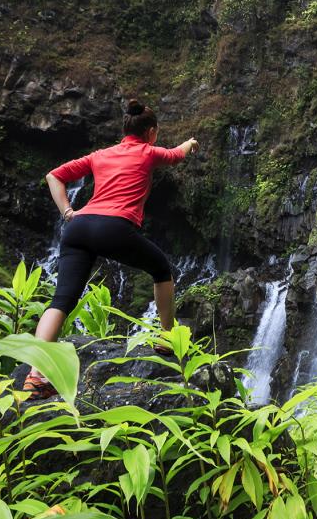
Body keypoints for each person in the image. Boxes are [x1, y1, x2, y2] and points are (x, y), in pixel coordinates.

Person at [23, 99, 199, 399]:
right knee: (161, 270)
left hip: (78, 227)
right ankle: (167, 337)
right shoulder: (147, 151)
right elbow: (175, 156)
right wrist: (190, 142)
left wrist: (67, 212)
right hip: (113, 227)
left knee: (61, 301)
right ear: (152, 132)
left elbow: (54, 175)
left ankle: (35, 376)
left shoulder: (101, 154)